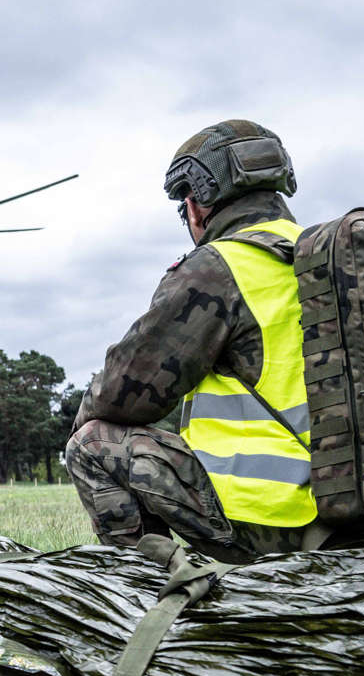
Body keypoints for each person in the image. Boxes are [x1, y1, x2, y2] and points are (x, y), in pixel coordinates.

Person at [66, 119, 316, 563]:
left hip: (273, 521)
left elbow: (121, 394)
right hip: (355, 505)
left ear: (195, 207)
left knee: (89, 443)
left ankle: (147, 592)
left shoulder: (220, 267)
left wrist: (80, 421)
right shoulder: (324, 257)